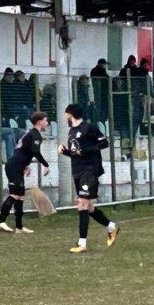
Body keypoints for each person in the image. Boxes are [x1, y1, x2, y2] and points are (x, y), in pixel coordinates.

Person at [58, 103, 118, 253]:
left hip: (90, 170)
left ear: (70, 114)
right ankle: (111, 227)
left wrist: (86, 149)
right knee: (88, 206)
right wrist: (64, 152)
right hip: (78, 171)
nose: (65, 117)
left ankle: (82, 243)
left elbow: (104, 143)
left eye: (66, 115)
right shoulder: (71, 131)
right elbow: (76, 153)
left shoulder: (89, 127)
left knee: (82, 203)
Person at [0, 111, 51, 235]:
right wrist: (45, 164)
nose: (47, 123)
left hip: (17, 166)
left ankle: (19, 228)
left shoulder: (29, 134)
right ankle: (0, 221)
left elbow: (20, 150)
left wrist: (25, 164)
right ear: (40, 121)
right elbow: (35, 151)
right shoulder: (35, 135)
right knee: (15, 195)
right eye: (46, 120)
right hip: (14, 166)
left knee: (20, 197)